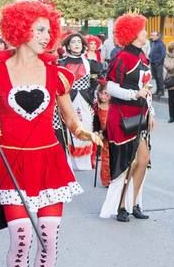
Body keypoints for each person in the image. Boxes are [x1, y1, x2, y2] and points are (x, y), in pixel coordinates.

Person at [0, 0, 101, 267]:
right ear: (20, 30)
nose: (48, 36)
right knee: (21, 237)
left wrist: (85, 132)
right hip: (12, 165)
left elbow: (71, 120)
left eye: (49, 30)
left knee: (48, 238)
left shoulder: (56, 74)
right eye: (40, 29)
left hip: (50, 164)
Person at [98, 14, 155, 222]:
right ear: (132, 34)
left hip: (140, 115)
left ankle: (134, 203)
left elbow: (147, 88)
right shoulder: (122, 58)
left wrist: (151, 112)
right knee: (127, 163)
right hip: (122, 116)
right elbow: (110, 87)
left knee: (143, 160)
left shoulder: (143, 57)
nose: (146, 33)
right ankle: (121, 205)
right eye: (142, 29)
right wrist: (134, 95)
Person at [57, 32, 103, 171]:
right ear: (68, 46)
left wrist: (92, 93)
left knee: (86, 127)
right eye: (73, 42)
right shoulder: (61, 63)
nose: (76, 44)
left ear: (83, 45)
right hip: (67, 99)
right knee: (69, 128)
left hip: (85, 100)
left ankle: (85, 161)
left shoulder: (90, 63)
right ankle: (69, 161)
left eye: (78, 42)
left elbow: (97, 80)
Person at [93, 81, 111, 187]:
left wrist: (104, 133)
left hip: (112, 134)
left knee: (112, 158)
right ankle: (105, 180)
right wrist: (96, 131)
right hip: (103, 135)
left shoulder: (113, 107)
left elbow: (112, 124)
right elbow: (96, 120)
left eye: (106, 94)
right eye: (101, 93)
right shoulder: (97, 106)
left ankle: (114, 178)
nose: (103, 96)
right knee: (105, 158)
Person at [149, 31, 166, 97]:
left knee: (159, 77)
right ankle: (158, 91)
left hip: (158, 64)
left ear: (158, 36)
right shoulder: (153, 43)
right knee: (156, 77)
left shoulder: (161, 44)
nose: (152, 37)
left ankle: (161, 91)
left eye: (153, 35)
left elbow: (163, 54)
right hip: (153, 63)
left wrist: (158, 62)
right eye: (151, 35)